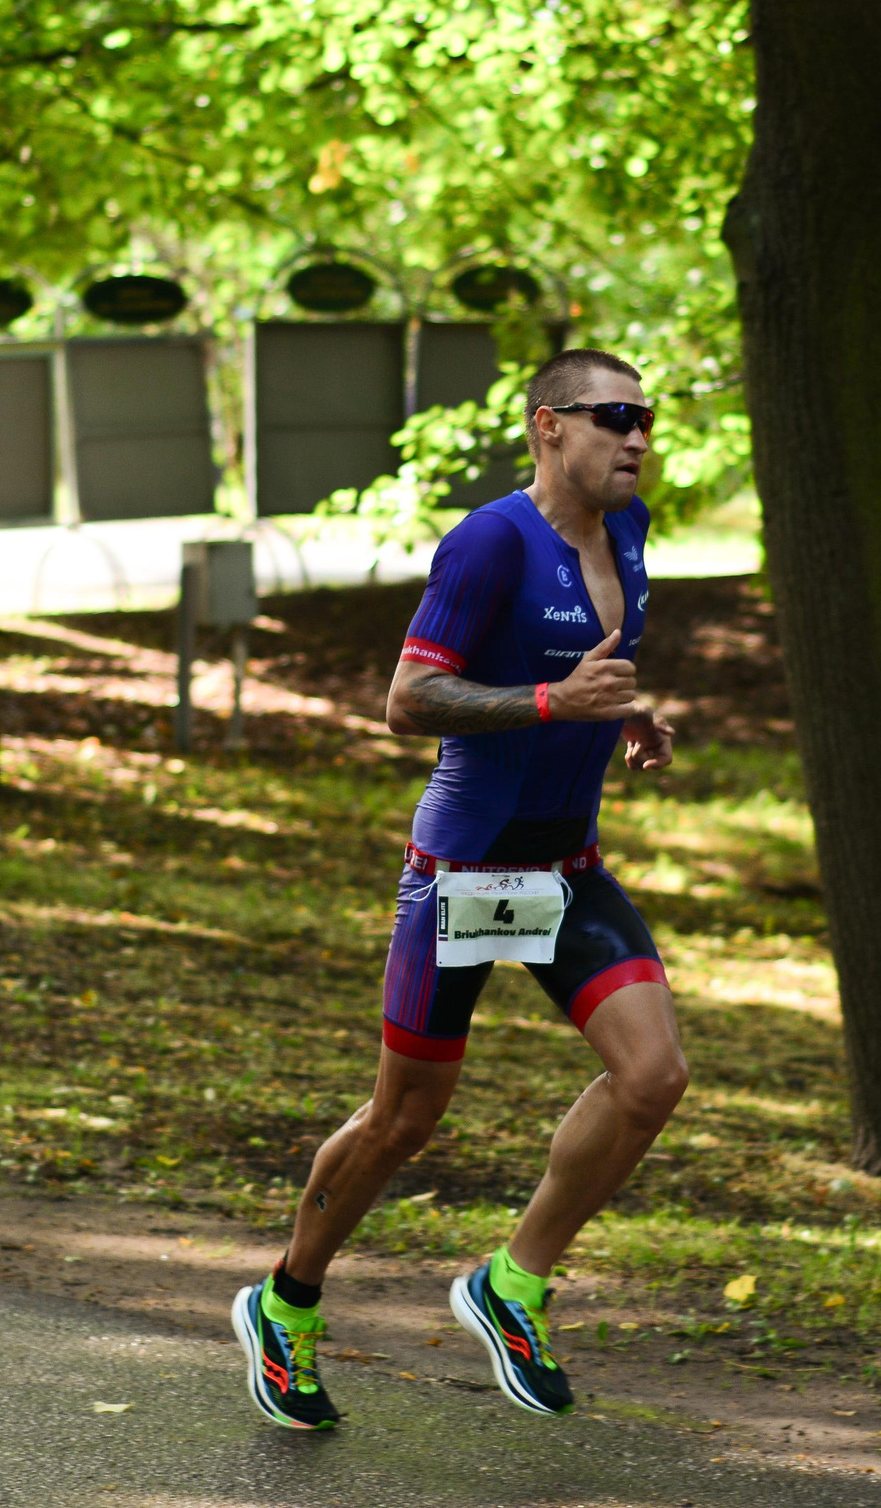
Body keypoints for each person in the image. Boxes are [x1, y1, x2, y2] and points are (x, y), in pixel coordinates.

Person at [232, 347, 683, 1428]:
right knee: (404, 1120)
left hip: (565, 864)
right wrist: (548, 705)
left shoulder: (628, 531)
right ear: (548, 426)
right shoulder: (489, 541)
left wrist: (622, 713)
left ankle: (509, 1284)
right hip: (467, 870)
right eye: (611, 416)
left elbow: (585, 670)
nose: (633, 437)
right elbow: (409, 700)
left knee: (653, 1076)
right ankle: (285, 1303)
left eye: (645, 419)